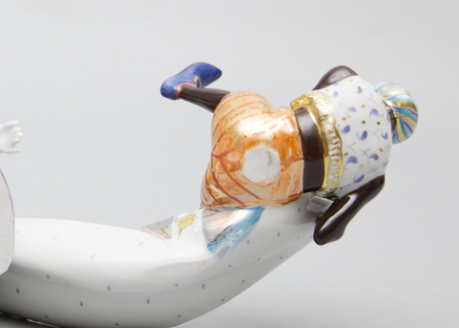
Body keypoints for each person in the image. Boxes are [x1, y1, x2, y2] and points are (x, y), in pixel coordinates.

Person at [160, 63, 417, 245]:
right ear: (398, 136)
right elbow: (325, 233)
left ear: (381, 91)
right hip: (255, 188)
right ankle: (201, 235)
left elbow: (298, 102)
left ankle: (183, 89)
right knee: (226, 209)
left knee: (244, 100)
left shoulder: (345, 76)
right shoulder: (375, 177)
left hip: (248, 129)